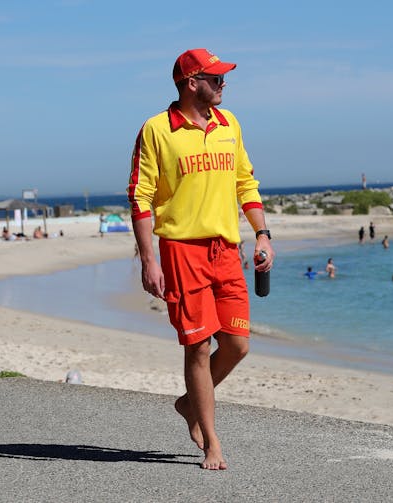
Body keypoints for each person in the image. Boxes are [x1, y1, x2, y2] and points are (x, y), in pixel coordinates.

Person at [128, 48, 274, 471]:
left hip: (227, 250)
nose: (224, 85)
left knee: (237, 344)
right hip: (181, 250)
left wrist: (262, 234)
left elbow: (246, 183)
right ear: (192, 83)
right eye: (216, 79)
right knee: (198, 345)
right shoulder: (157, 129)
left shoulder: (230, 124)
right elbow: (140, 197)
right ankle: (212, 443)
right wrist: (148, 260)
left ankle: (187, 403)